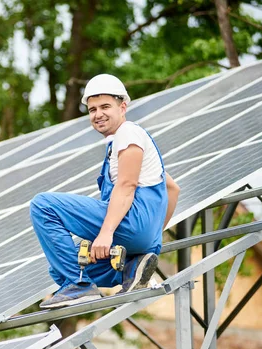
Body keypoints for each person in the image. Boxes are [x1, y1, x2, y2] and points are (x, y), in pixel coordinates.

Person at [30, 74, 180, 309]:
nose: (97, 114)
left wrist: (106, 234)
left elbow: (126, 186)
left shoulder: (128, 133)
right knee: (60, 266)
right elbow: (172, 188)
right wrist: (153, 238)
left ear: (123, 107)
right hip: (142, 237)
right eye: (92, 109)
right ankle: (132, 269)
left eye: (105, 107)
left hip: (133, 224)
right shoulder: (124, 143)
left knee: (43, 205)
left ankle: (79, 286)